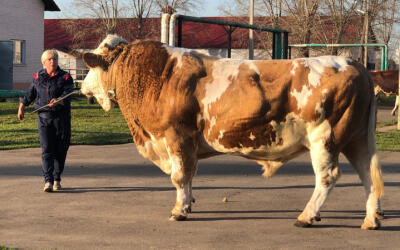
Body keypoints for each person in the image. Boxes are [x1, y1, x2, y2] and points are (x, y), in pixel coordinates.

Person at [18, 49, 74, 192]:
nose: (53, 61)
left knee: (61, 150)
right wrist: (22, 107)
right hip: (44, 119)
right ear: (44, 62)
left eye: (54, 59)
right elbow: (30, 94)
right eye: (49, 59)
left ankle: (57, 179)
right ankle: (48, 181)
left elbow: (68, 93)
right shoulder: (38, 76)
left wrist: (59, 100)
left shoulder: (65, 77)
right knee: (47, 149)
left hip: (61, 119)